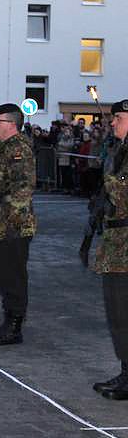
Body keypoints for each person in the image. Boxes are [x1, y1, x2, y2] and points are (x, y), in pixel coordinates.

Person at [0, 103, 36, 345]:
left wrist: (10, 223)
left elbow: (22, 190)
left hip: (12, 224)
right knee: (2, 273)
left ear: (11, 124)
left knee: (13, 276)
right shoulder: (2, 148)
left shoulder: (19, 149)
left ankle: (14, 326)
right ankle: (7, 322)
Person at [93, 100, 128, 400]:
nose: (112, 123)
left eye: (118, 117)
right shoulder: (122, 150)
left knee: (123, 310)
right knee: (118, 312)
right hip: (117, 243)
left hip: (125, 245)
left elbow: (122, 194)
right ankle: (126, 371)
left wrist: (110, 174)